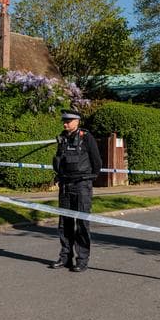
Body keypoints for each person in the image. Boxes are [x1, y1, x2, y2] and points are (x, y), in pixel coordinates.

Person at [50, 109, 102, 272]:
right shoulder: (63, 138)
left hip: (81, 185)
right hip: (65, 185)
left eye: (68, 121)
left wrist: (88, 178)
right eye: (64, 121)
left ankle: (82, 260)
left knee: (81, 224)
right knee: (64, 223)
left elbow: (97, 162)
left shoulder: (86, 138)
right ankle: (65, 257)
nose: (65, 124)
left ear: (77, 121)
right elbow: (59, 159)